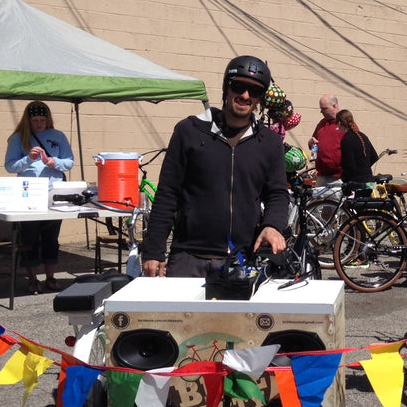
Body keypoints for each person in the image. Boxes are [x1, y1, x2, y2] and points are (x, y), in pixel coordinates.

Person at [141, 55, 289, 279]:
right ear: (226, 88)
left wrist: (273, 225)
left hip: (243, 259)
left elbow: (277, 193)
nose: (245, 95)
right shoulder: (189, 131)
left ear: (259, 99)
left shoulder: (269, 142)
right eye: (238, 86)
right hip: (188, 258)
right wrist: (153, 250)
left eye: (254, 91)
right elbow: (167, 193)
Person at [4, 101, 74, 293]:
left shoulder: (58, 136)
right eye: (35, 120)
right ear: (28, 120)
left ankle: (50, 277)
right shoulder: (19, 138)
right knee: (30, 238)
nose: (39, 124)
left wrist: (55, 162)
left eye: (43, 120)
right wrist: (29, 159)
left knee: (51, 237)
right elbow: (10, 166)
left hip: (54, 192)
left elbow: (69, 162)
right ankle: (33, 279)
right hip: (29, 193)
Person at [336, 109, 379, 188]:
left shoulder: (346, 140)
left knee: (355, 200)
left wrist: (344, 179)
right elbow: (374, 157)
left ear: (339, 123)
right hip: (369, 181)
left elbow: (349, 165)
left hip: (357, 183)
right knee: (367, 200)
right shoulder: (363, 136)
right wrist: (364, 167)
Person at [310, 94, 342, 186]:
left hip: (339, 178)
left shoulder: (344, 123)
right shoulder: (322, 123)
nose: (321, 112)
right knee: (319, 200)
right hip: (322, 176)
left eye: (324, 109)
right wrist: (311, 142)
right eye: (321, 109)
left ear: (334, 106)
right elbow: (312, 141)